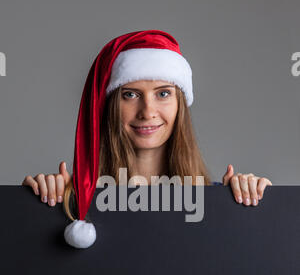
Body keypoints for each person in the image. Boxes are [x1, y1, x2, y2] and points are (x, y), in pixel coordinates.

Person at [22, 29, 272, 248]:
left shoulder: (217, 201)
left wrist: (248, 202)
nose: (147, 112)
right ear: (111, 105)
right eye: (130, 95)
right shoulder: (72, 205)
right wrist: (39, 204)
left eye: (163, 93)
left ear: (179, 106)